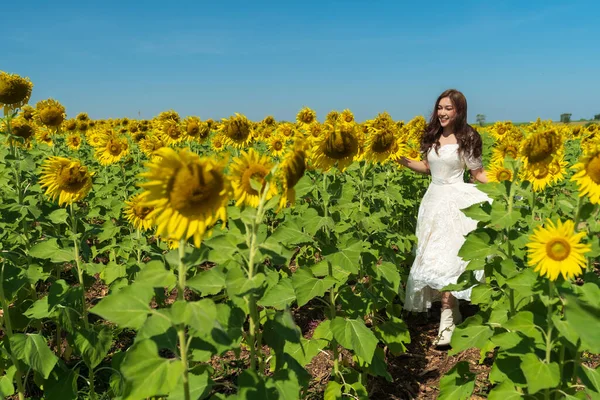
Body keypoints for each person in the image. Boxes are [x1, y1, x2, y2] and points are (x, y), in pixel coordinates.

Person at [398, 89, 490, 347]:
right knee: (434, 258)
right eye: (440, 108)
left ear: (459, 110)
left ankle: (446, 319)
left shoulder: (468, 137)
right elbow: (427, 168)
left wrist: (506, 185)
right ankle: (454, 311)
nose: (442, 113)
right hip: (432, 203)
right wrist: (402, 160)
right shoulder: (432, 135)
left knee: (451, 259)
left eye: (448, 108)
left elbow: (478, 173)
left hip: (457, 203)